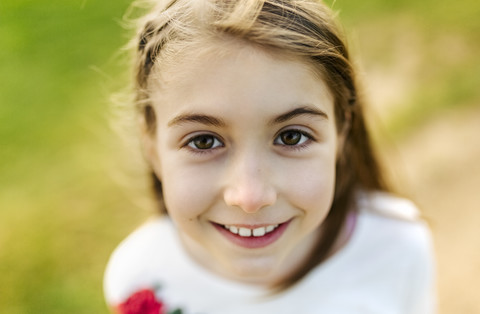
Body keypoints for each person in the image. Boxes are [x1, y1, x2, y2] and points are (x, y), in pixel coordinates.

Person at [104, 0, 436, 313]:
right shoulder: (139, 276)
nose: (251, 196)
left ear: (341, 134)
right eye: (204, 141)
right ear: (152, 148)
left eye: (292, 136)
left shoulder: (397, 250)